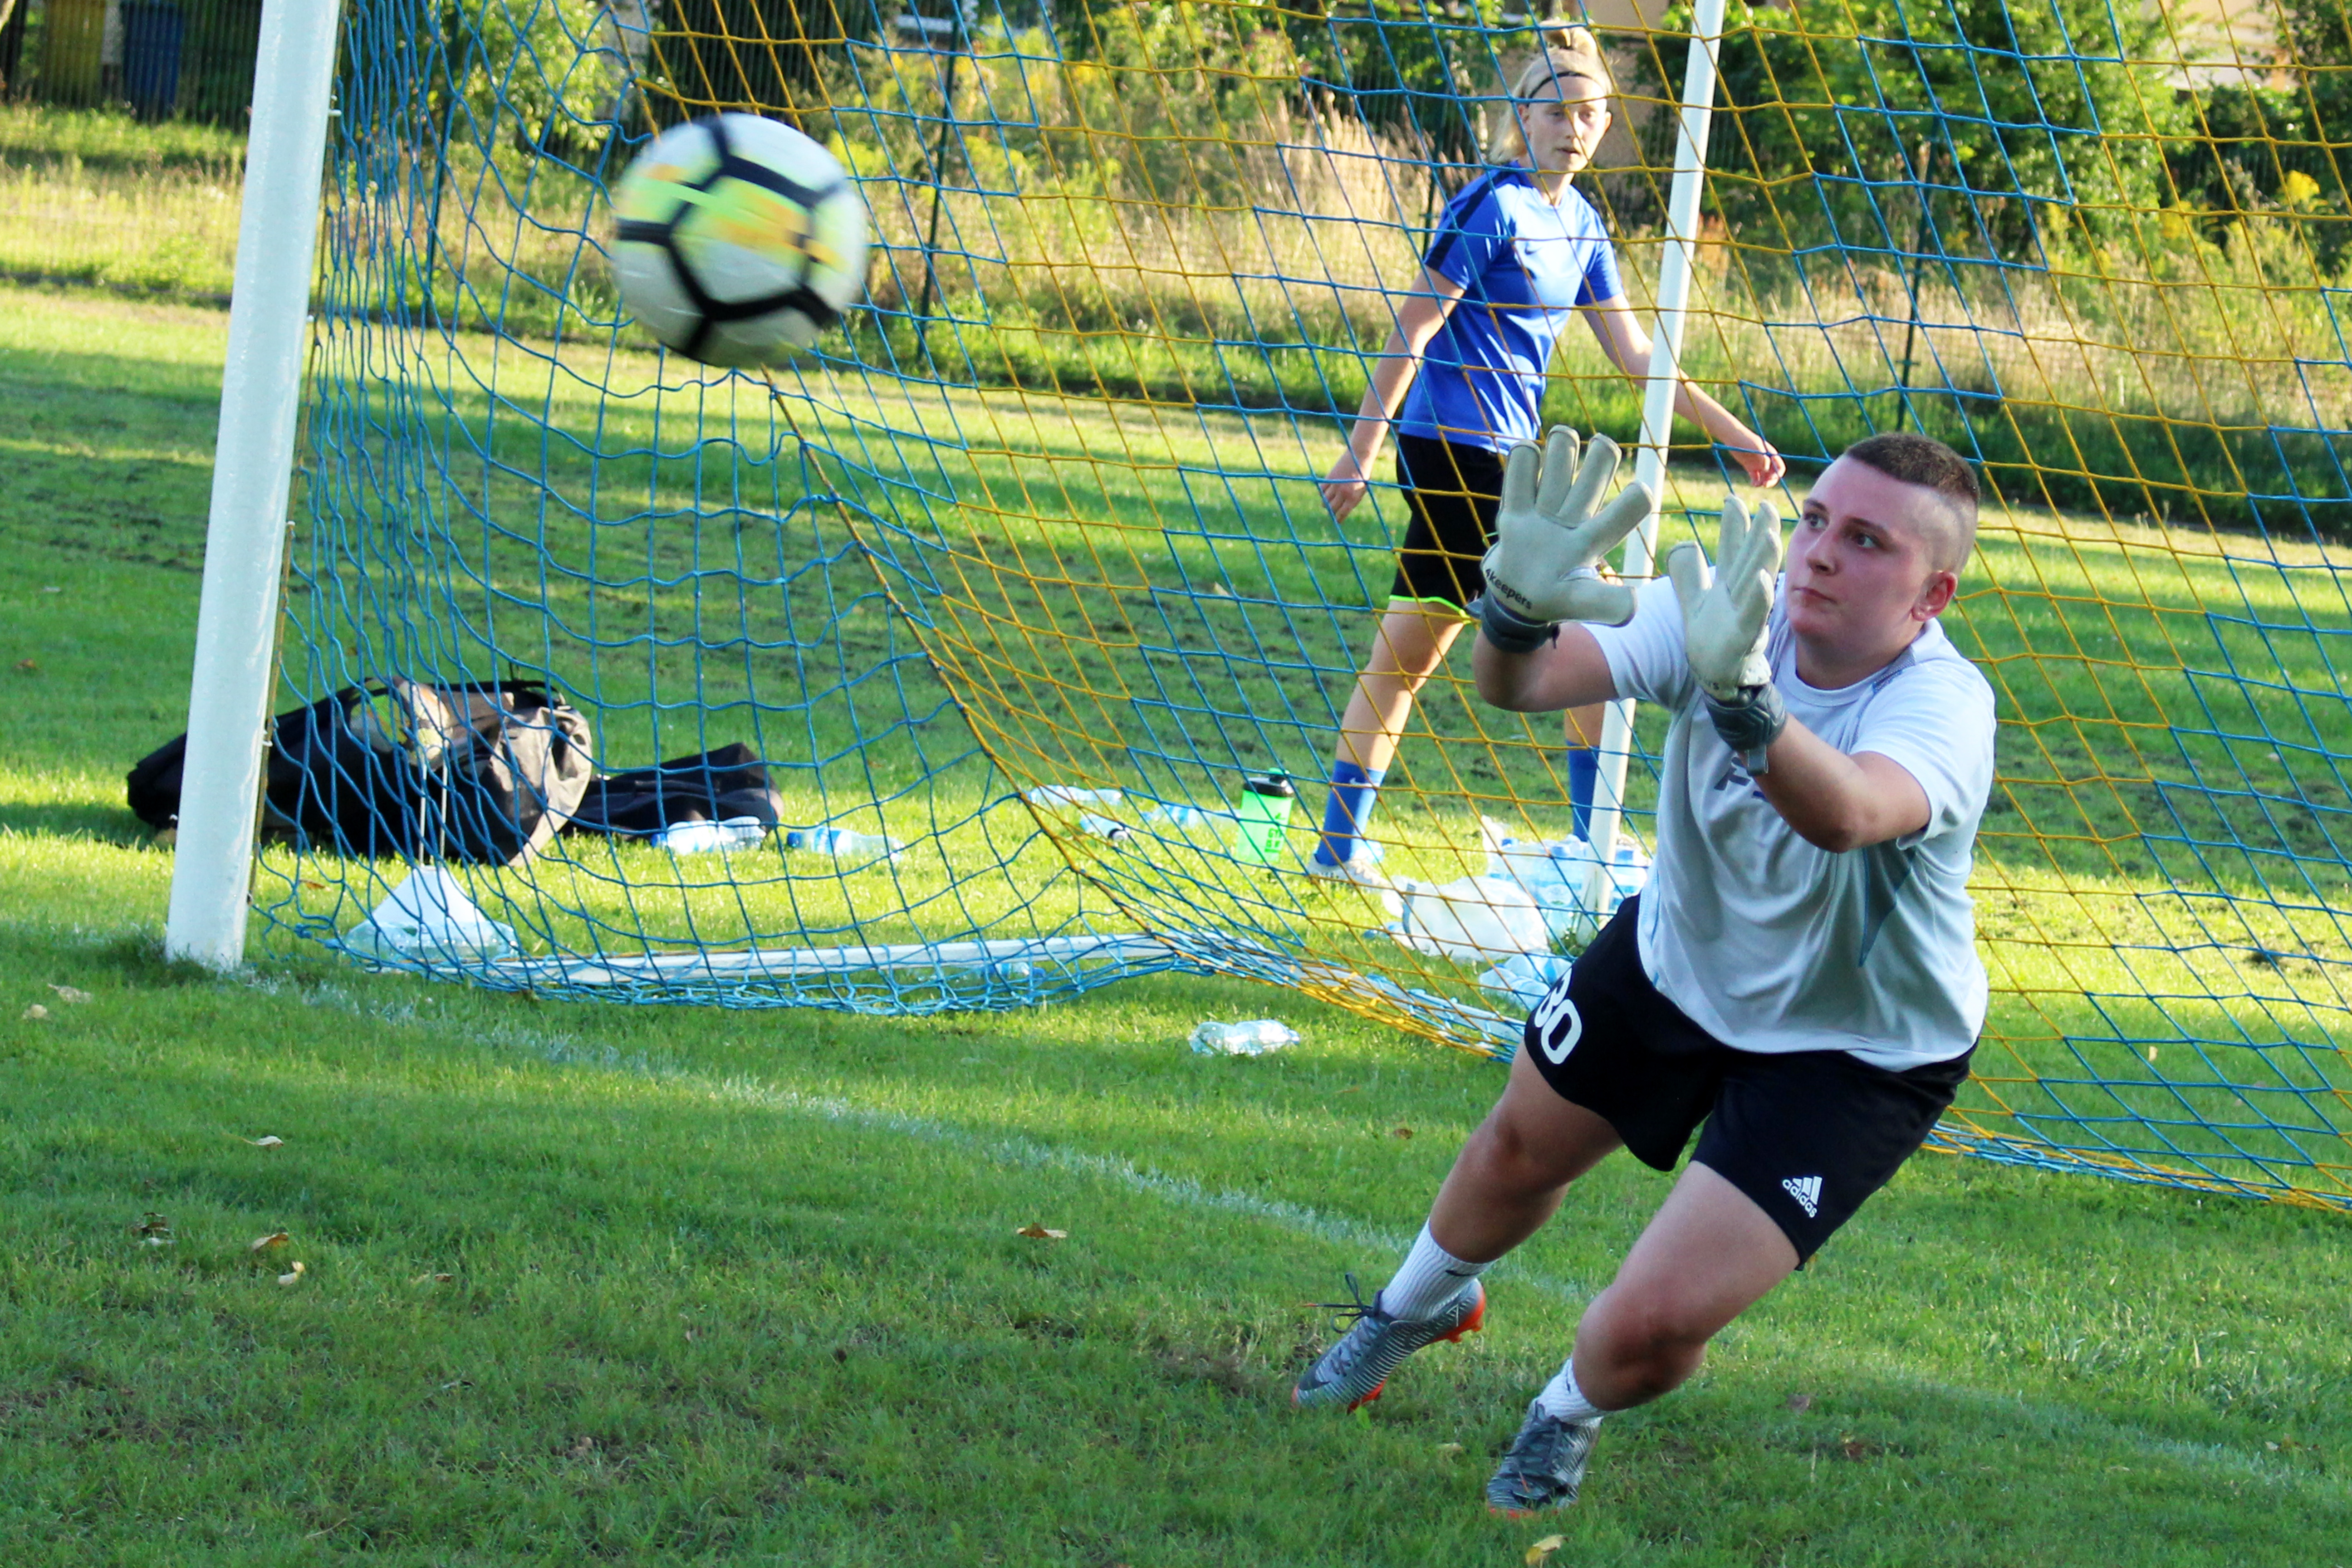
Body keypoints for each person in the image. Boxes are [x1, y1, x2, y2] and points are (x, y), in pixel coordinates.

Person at [1292, 426, 1995, 1518]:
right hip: (1677, 959)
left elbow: (1850, 813)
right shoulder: (1723, 610)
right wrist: (1513, 612)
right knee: (1516, 1150)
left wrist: (1746, 701)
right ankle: (1411, 1309)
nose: (1820, 552)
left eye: (1868, 541)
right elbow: (1517, 685)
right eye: (1816, 520)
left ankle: (1564, 1413)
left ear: (1932, 596)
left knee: (1651, 1329)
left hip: (1854, 1048)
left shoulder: (1943, 703)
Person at [1309, 28, 1785, 887]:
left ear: (1606, 125)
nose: (1574, 128)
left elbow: (1637, 357)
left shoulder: (1584, 225)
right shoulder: (1491, 206)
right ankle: (1587, 847)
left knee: (1409, 653)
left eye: (1590, 114)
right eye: (1558, 112)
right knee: (1599, 627)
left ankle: (1339, 849)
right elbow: (1415, 325)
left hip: (1506, 461)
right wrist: (1360, 452)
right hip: (1454, 453)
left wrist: (1733, 433)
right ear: (1522, 116)